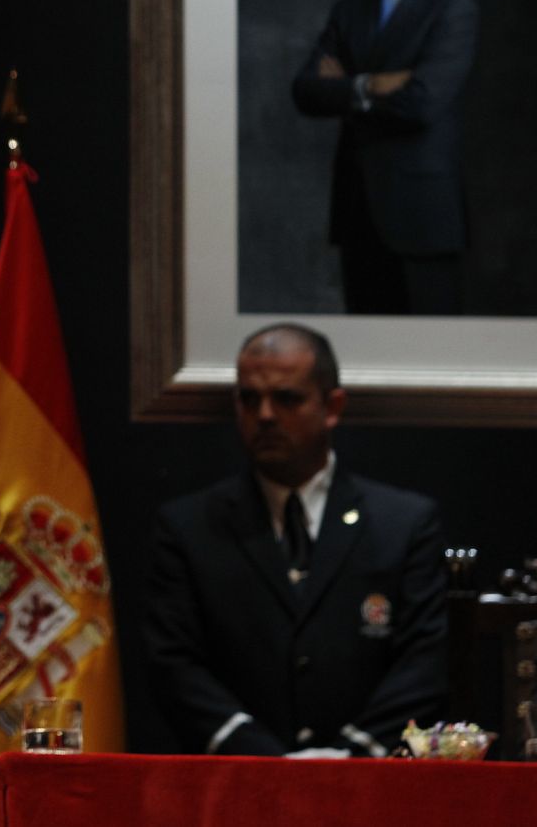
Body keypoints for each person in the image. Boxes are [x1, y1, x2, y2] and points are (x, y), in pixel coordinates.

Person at [144, 323, 447, 756]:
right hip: (235, 790)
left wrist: (351, 754)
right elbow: (173, 666)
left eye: (287, 398)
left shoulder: (403, 524)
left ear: (332, 406)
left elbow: (423, 664)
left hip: (371, 792)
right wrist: (268, 763)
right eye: (250, 399)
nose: (265, 415)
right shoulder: (188, 527)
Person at [291, 0, 479, 315]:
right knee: (365, 361)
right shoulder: (349, 10)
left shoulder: (454, 9)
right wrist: (370, 84)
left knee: (430, 362)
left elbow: (423, 103)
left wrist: (344, 88)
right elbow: (304, 92)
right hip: (359, 211)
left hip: (424, 216)